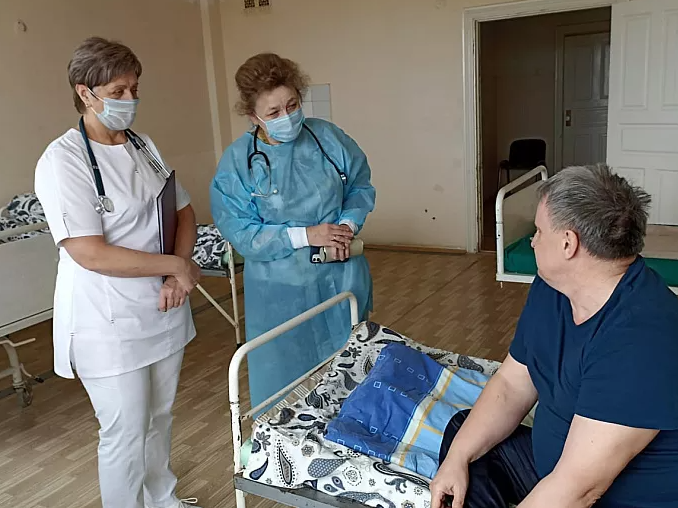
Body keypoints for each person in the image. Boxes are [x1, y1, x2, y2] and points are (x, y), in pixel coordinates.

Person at [431, 164, 678, 508]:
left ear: (567, 243)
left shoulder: (642, 338)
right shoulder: (553, 288)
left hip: (604, 497)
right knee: (466, 442)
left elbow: (579, 491)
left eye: (538, 231)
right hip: (554, 472)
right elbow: (512, 384)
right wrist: (457, 458)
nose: (533, 241)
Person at [34, 37, 202, 508]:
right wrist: (175, 266)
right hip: (107, 321)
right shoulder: (63, 160)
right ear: (85, 93)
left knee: (159, 418)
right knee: (125, 432)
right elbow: (90, 253)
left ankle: (163, 499)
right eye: (118, 92)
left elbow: (183, 212)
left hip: (164, 305)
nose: (131, 100)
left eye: (134, 89)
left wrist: (175, 276)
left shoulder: (143, 145)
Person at [210, 53, 375, 411]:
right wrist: (306, 235)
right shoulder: (238, 163)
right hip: (279, 292)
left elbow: (359, 186)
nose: (286, 117)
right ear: (252, 115)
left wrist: (346, 226)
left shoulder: (327, 139)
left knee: (350, 372)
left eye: (292, 105)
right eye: (273, 112)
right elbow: (242, 232)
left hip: (341, 278)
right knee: (284, 385)